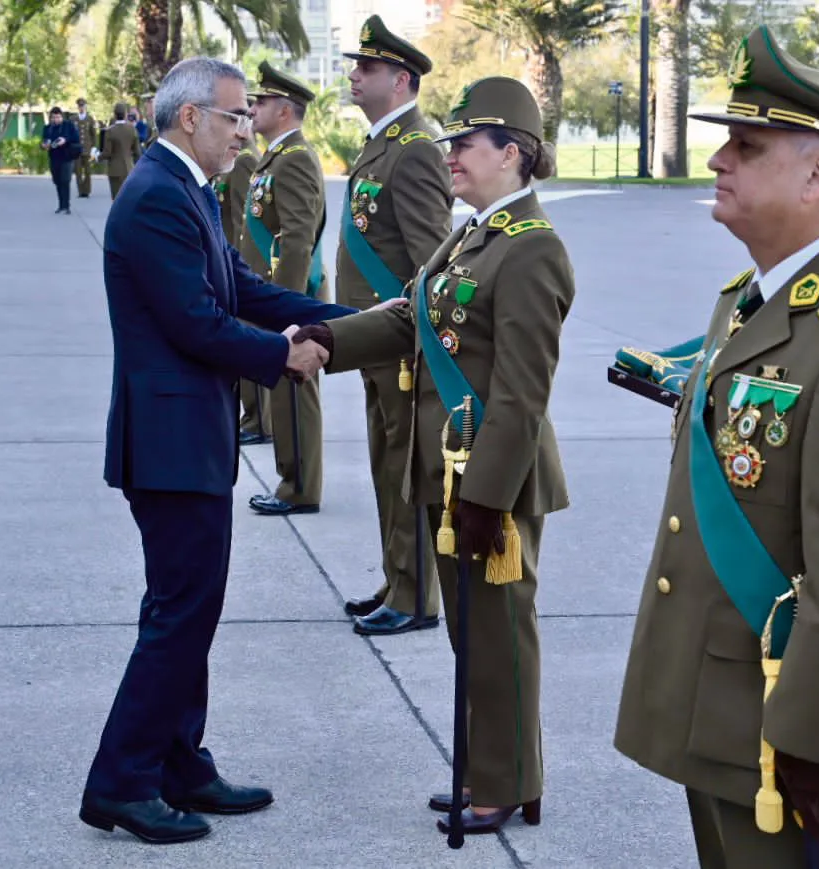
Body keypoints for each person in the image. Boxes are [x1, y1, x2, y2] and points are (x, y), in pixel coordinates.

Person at [612, 26, 819, 867]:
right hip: (717, 702)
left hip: (784, 729)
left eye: (745, 146)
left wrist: (816, 740)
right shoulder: (747, 301)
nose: (718, 160)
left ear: (818, 172)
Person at [80, 56, 361, 845]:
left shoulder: (184, 191)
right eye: (236, 116)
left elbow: (247, 292)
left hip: (186, 435)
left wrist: (360, 323)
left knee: (188, 608)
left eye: (247, 117)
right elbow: (198, 323)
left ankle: (180, 762)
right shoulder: (155, 198)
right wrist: (285, 356)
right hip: (167, 443)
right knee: (179, 613)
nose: (247, 129)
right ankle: (121, 781)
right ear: (189, 117)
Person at [295, 75, 571, 834]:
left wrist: (485, 494)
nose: (450, 156)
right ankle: (492, 769)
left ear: (511, 153)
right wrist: (326, 338)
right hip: (455, 470)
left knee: (498, 636)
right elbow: (409, 313)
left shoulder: (531, 251)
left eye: (465, 145)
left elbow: (521, 396)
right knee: (471, 633)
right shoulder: (472, 234)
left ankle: (510, 781)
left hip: (493, 480)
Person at [332, 15, 452, 636]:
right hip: (373, 338)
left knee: (404, 464)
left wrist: (402, 329)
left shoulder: (415, 150)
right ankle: (396, 577)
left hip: (398, 342)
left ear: (401, 79)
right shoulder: (383, 143)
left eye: (367, 67)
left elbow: (432, 259)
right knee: (385, 463)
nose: (354, 74)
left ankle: (414, 595)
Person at [239, 62, 329, 516]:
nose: (252, 108)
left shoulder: (293, 159)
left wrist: (287, 311)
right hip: (270, 292)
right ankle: (290, 480)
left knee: (296, 391)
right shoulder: (276, 156)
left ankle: (300, 488)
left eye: (261, 102)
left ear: (286, 110)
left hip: (285, 295)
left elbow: (297, 239)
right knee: (284, 389)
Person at [212, 143, 271, 443]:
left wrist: (235, 269)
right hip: (229, 261)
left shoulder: (245, 161)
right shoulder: (231, 159)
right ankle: (252, 417)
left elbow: (240, 222)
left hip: (240, 264)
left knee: (250, 337)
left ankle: (259, 420)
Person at [40, 106, 80, 214]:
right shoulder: (48, 128)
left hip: (67, 157)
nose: (56, 120)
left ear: (61, 117)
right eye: (53, 117)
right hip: (54, 157)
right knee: (57, 181)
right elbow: (43, 141)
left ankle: (66, 206)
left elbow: (76, 138)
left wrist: (65, 140)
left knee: (65, 181)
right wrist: (44, 145)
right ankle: (61, 204)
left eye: (58, 117)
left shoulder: (69, 126)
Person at [101, 102, 142, 200]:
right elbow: (137, 152)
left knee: (116, 199)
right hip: (129, 168)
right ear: (125, 115)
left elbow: (107, 152)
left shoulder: (110, 131)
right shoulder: (132, 129)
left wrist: (98, 156)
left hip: (114, 169)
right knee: (128, 198)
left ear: (115, 115)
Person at [73, 97, 99, 198]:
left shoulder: (90, 119)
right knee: (78, 171)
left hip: (87, 149)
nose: (81, 108)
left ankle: (86, 191)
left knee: (88, 171)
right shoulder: (73, 119)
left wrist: (94, 148)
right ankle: (80, 191)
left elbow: (93, 135)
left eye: (83, 106)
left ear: (85, 106)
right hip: (77, 149)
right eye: (80, 106)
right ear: (78, 107)